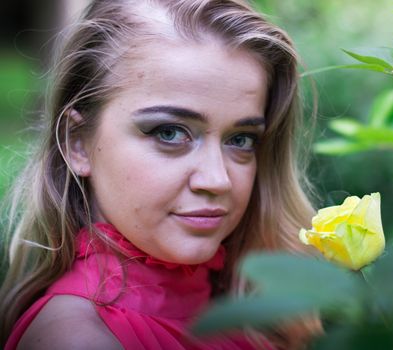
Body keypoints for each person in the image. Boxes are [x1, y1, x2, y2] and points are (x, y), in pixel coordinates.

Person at [0, 0, 319, 348]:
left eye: (240, 139)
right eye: (169, 133)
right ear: (77, 143)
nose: (217, 180)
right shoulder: (76, 339)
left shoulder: (255, 316)